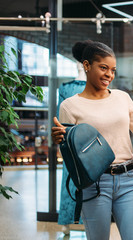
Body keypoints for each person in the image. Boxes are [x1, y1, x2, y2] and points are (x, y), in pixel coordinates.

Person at [51, 40, 133, 240]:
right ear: (86, 65)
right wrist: (60, 141)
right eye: (103, 68)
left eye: (113, 70)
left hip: (127, 180)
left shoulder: (123, 98)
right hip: (94, 184)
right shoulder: (70, 106)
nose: (109, 75)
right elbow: (71, 154)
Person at [57, 42, 87, 234]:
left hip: (71, 141)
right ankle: (80, 220)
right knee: (87, 181)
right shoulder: (92, 89)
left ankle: (68, 222)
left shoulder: (66, 89)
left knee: (71, 180)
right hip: (86, 142)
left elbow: (61, 120)